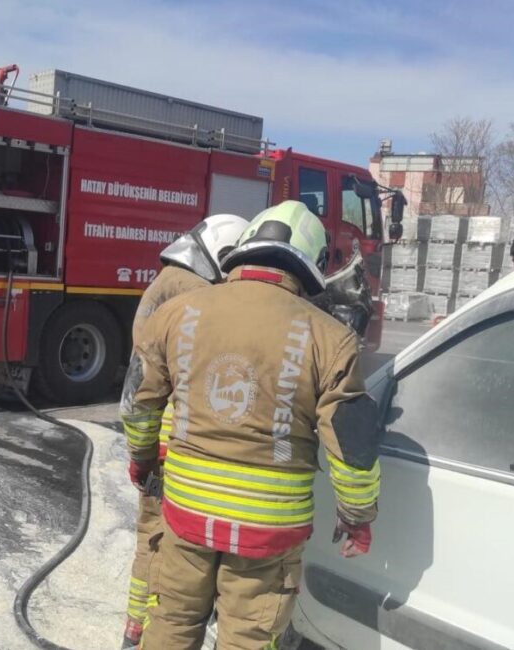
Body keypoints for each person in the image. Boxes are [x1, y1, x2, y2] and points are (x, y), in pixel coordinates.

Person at [122, 201, 382, 650]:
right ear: (313, 262)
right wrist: (357, 517)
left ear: (246, 246)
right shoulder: (331, 338)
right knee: (248, 640)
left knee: (171, 624)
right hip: (269, 533)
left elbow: (140, 406)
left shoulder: (178, 313)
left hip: (185, 513)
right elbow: (350, 443)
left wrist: (142, 462)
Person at [119, 213, 250, 650]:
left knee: (150, 541)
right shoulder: (196, 293)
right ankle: (148, 634)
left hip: (154, 440)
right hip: (175, 445)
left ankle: (135, 632)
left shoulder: (167, 283)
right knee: (165, 552)